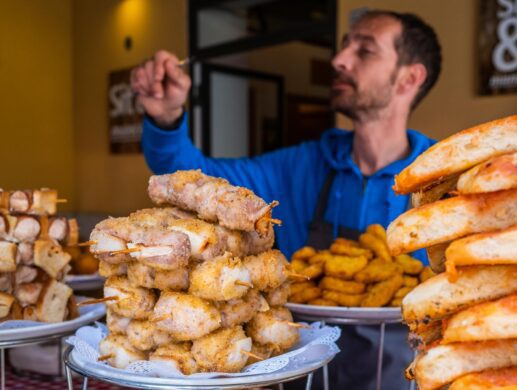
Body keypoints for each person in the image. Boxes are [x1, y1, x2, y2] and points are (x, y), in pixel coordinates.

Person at [132, 10, 441, 390]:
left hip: (407, 379)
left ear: (411, 77)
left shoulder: (441, 178)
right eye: (345, 45)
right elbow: (192, 180)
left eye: (365, 50)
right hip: (302, 376)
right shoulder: (301, 164)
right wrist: (165, 119)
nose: (339, 59)